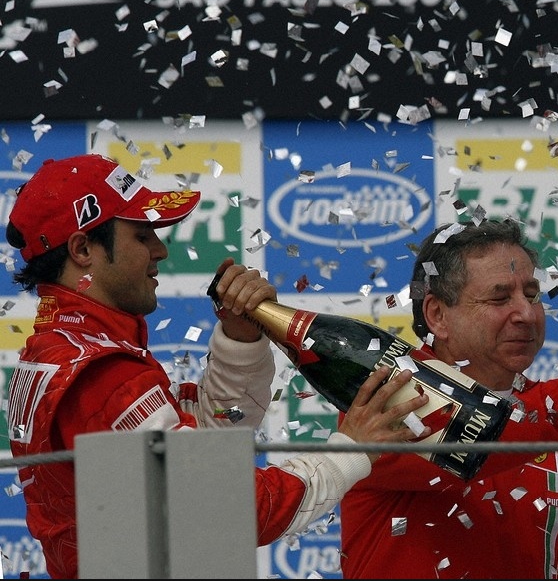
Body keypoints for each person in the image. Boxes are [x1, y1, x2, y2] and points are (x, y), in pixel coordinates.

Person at [4, 154, 431, 579]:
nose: (160, 250)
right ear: (83, 249)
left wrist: (239, 339)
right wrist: (351, 450)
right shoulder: (100, 374)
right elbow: (229, 509)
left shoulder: (60, 348)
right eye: (142, 236)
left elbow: (205, 441)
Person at [337, 218, 558, 579]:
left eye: (531, 295)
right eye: (500, 298)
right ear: (438, 315)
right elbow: (481, 440)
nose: (527, 314)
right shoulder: (382, 405)